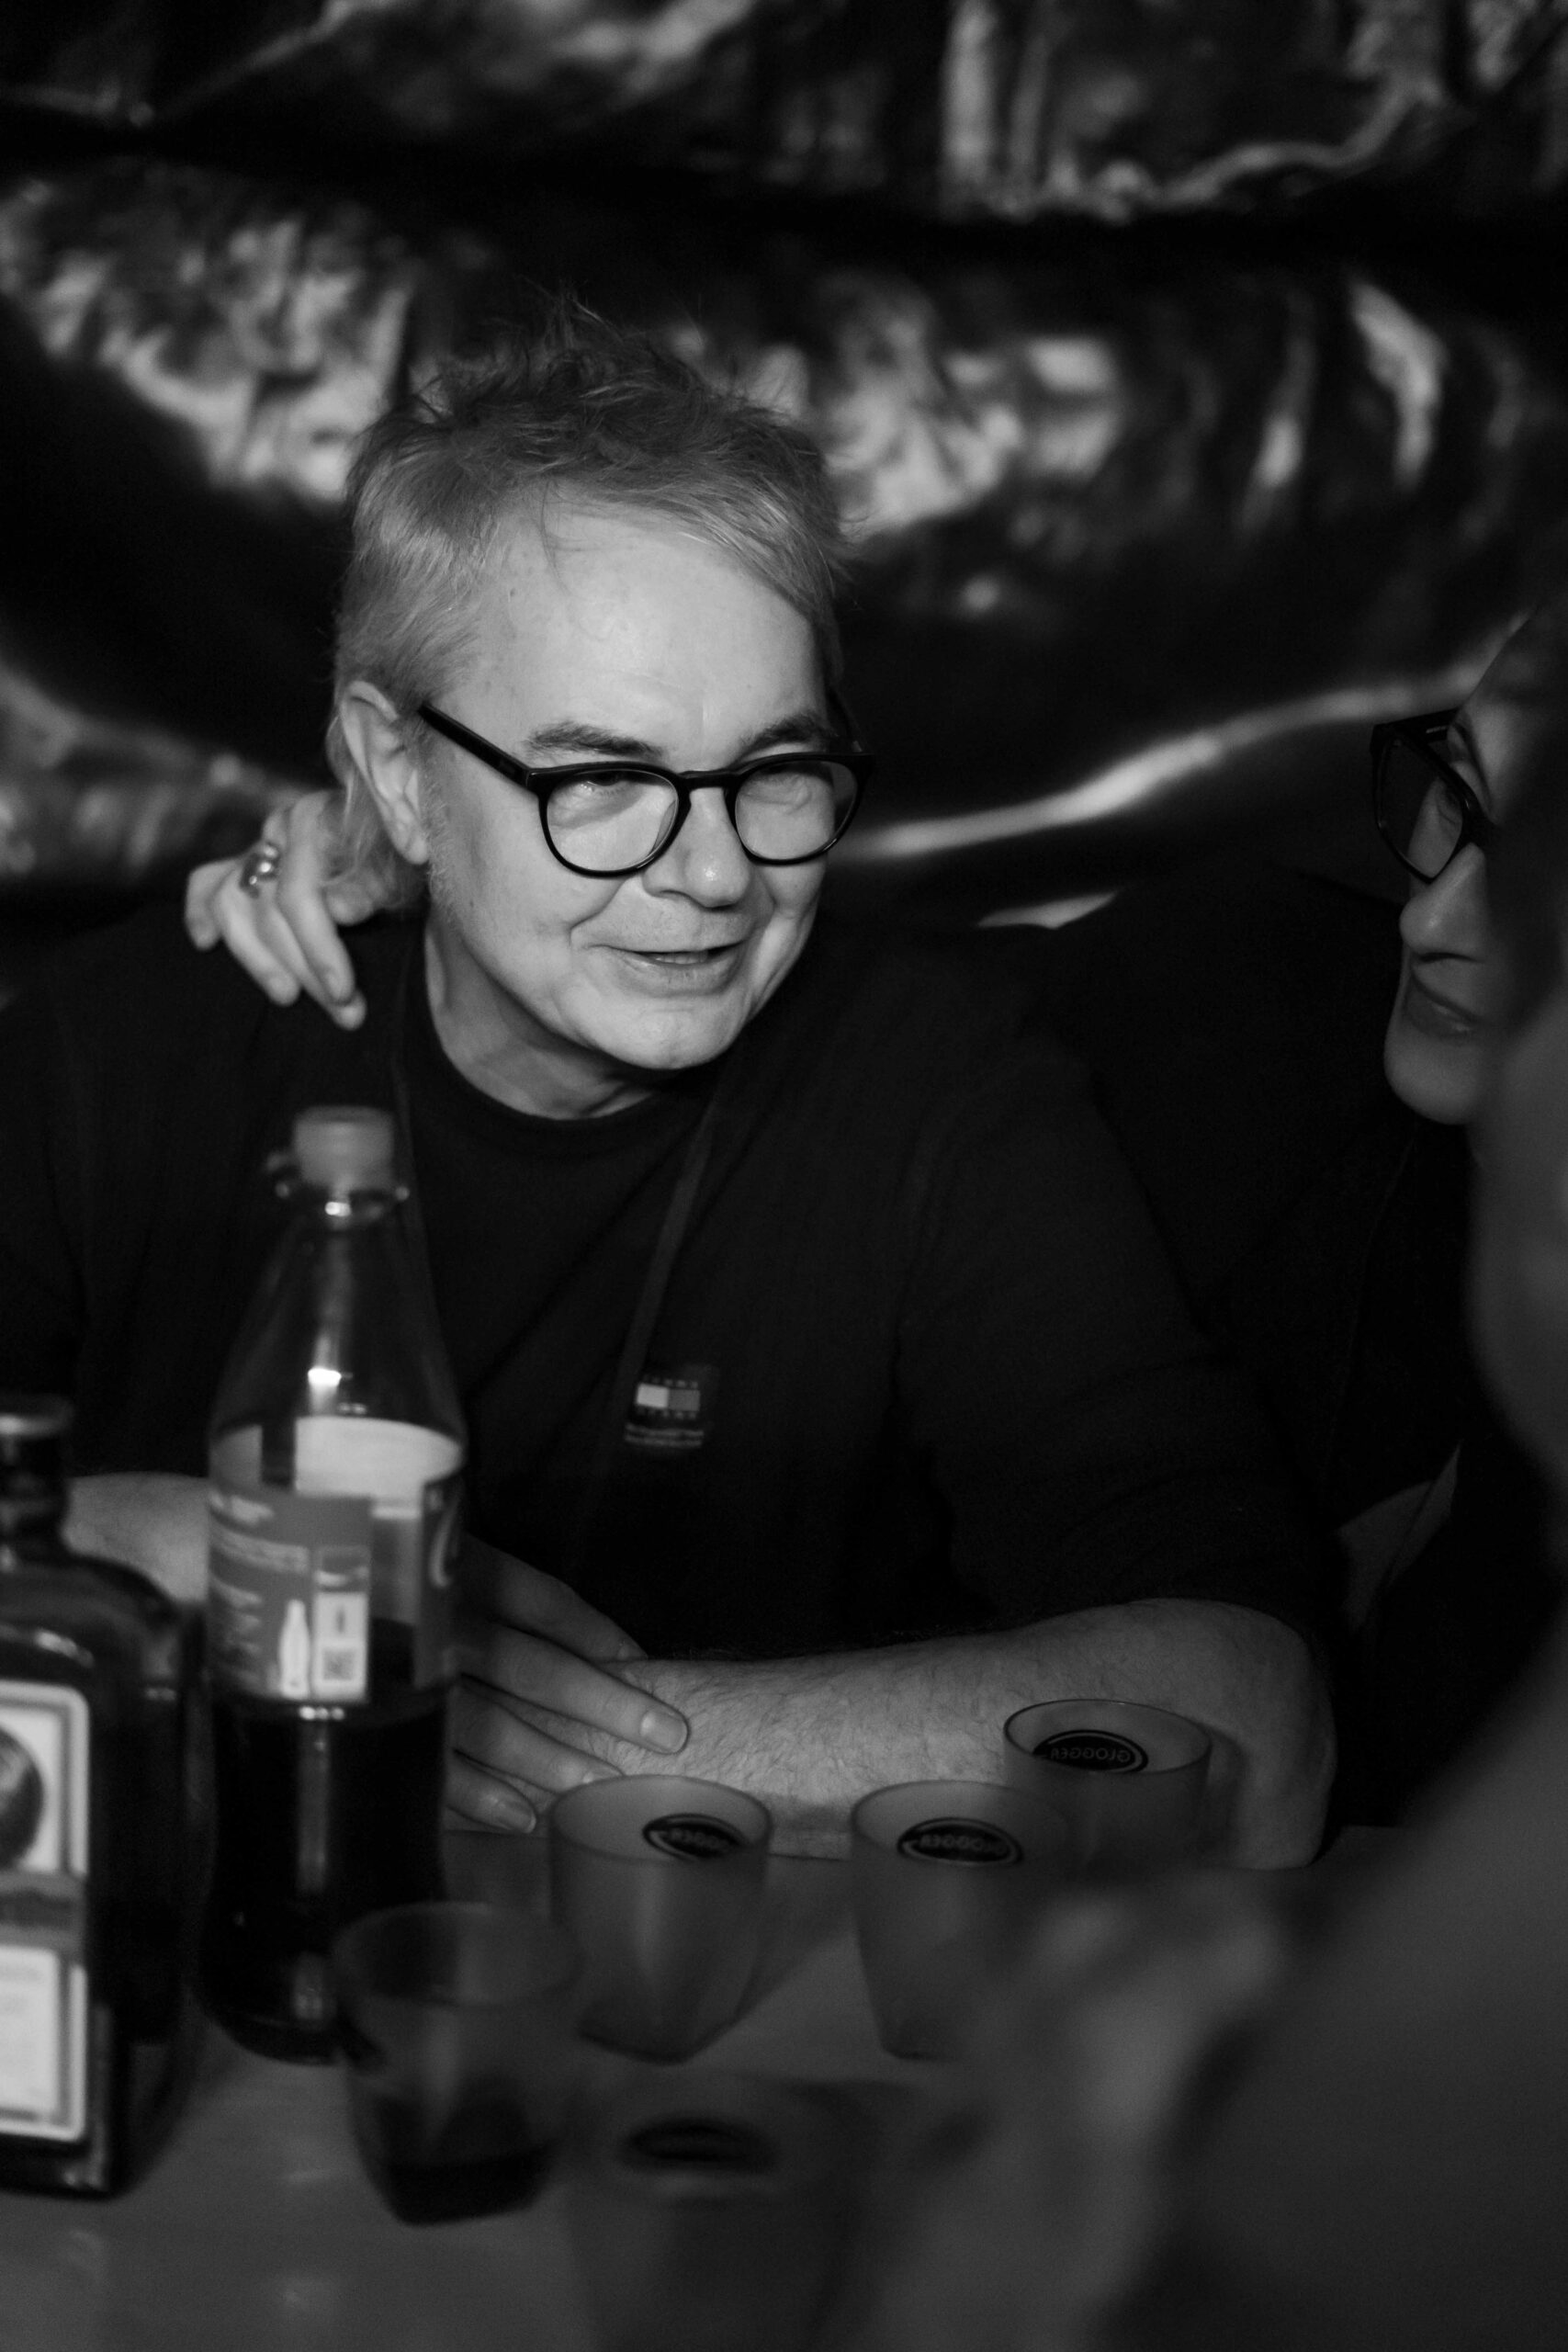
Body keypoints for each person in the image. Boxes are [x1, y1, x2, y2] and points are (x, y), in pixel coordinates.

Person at [61, 304, 1334, 1859]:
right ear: (396, 770)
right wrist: (160, 1551)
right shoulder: (147, 1044)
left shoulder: (935, 1090)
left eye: (774, 772)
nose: (718, 873)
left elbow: (1260, 1725)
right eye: (605, 780)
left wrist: (519, 1744)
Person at [836, 594, 1568, 2352]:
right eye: (1454, 801)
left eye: (1549, 885)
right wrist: (420, 895)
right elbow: (785, 1015)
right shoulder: (1236, 991)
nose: (1440, 909)